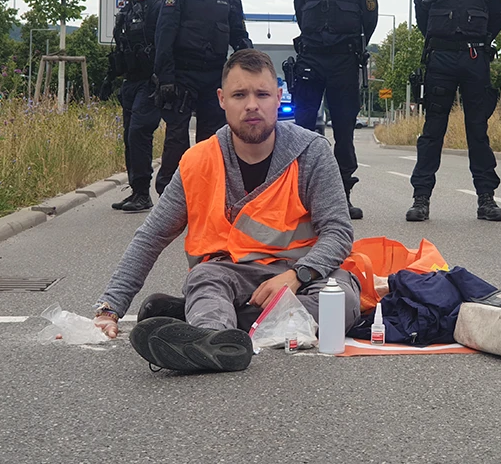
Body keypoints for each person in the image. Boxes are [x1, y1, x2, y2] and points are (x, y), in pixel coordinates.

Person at [93, 49, 362, 374]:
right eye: (239, 95)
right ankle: (213, 337)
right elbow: (150, 237)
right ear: (222, 99)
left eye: (262, 94)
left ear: (278, 98)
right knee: (205, 279)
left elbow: (338, 232)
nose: (252, 105)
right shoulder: (198, 161)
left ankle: (213, 325)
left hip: (302, 277)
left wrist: (296, 276)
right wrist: (110, 308)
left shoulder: (311, 152)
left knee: (341, 301)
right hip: (227, 276)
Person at [405, 0, 501, 223]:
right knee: (433, 130)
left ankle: (486, 200)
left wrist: (480, 42)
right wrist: (439, 38)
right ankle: (421, 199)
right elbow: (421, 10)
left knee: (478, 131)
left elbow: (498, 17)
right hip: (441, 59)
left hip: (475, 58)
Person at [291, 0, 378, 219]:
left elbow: (370, 17)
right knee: (303, 130)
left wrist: (352, 46)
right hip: (312, 57)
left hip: (344, 60)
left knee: (343, 130)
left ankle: (342, 196)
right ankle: (302, 196)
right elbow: (300, 12)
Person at [153, 0, 253, 195]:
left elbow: (239, 37)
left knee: (211, 140)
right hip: (181, 75)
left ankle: (206, 193)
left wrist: (252, 68)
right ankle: (169, 193)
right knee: (176, 138)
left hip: (213, 76)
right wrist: (165, 77)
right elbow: (165, 32)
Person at [100, 0, 163, 213]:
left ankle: (143, 193)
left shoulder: (157, 10)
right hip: (130, 82)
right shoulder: (125, 13)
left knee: (139, 132)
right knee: (129, 136)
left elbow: (166, 44)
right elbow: (119, 50)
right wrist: (109, 78)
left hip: (150, 82)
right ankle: (138, 192)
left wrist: (164, 78)